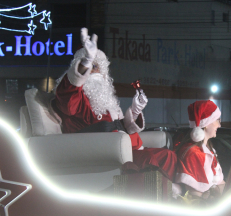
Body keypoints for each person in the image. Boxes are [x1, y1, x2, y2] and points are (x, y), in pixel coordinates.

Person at [53, 28, 177, 183]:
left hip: (119, 146)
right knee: (147, 159)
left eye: (98, 67)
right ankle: (152, 200)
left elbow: (120, 127)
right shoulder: (73, 93)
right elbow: (69, 96)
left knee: (168, 157)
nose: (94, 71)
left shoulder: (106, 100)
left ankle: (168, 193)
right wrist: (86, 62)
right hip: (99, 150)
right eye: (91, 67)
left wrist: (135, 111)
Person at [175, 100, 225, 200]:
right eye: (217, 120)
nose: (219, 125)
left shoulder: (207, 149)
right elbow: (196, 198)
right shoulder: (194, 154)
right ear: (206, 123)